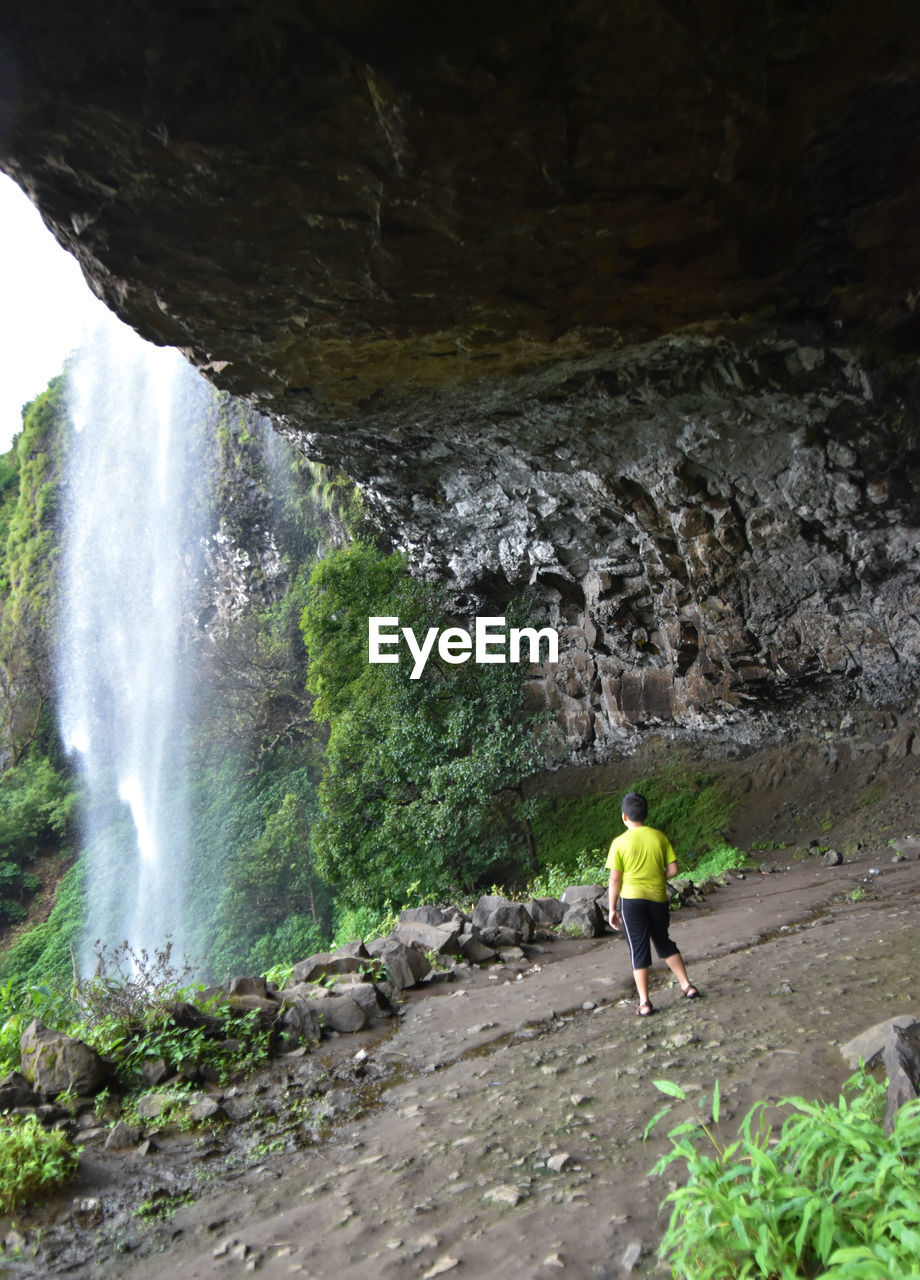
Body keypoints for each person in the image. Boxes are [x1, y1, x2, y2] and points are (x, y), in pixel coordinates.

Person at [606, 791, 701, 1016]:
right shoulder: (659, 837)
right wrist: (656, 878)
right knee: (663, 941)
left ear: (624, 817)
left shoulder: (619, 843)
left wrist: (611, 909)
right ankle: (687, 986)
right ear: (646, 814)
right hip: (658, 898)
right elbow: (674, 870)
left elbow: (615, 879)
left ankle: (645, 1003)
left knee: (638, 949)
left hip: (631, 901)